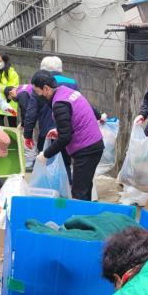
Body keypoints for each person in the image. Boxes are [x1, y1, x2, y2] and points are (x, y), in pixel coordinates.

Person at [31, 71, 104, 201]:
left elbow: (65, 138)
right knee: (84, 187)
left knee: (78, 193)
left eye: (37, 92)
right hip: (93, 144)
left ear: (46, 89)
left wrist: (46, 154)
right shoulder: (65, 91)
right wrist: (59, 130)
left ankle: (80, 219)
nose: (37, 96)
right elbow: (75, 118)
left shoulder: (59, 104)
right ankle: (87, 216)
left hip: (86, 149)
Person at [23, 56, 79, 152]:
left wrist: (28, 135)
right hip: (66, 132)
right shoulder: (72, 83)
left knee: (44, 161)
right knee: (65, 163)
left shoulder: (40, 83)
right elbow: (77, 106)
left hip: (46, 133)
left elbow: (31, 112)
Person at [0, 53, 19, 127]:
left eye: (0, 61)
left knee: (12, 127)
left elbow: (12, 88)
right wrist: (3, 88)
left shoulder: (13, 74)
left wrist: (0, 88)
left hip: (11, 105)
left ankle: (12, 139)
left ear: (5, 61)